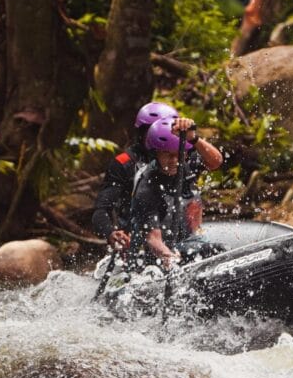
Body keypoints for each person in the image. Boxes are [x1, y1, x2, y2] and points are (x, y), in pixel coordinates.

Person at [129, 116, 224, 270]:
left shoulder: (185, 162)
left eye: (177, 155)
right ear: (156, 153)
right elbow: (154, 239)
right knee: (212, 250)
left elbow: (216, 161)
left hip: (192, 239)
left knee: (216, 249)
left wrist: (194, 139)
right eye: (167, 155)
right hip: (163, 254)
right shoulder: (147, 189)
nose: (174, 161)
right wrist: (168, 256)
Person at [91, 102, 179, 252]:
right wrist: (111, 233)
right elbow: (101, 210)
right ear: (143, 134)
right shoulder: (124, 163)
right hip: (138, 240)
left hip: (175, 234)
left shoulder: (181, 157)